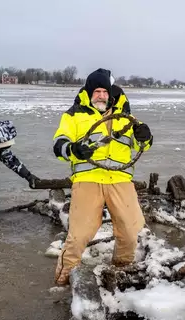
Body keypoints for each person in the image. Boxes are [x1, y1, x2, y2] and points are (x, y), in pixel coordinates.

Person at [52, 68, 154, 285]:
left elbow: (143, 144)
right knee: (79, 235)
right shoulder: (74, 115)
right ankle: (63, 278)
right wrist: (73, 150)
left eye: (104, 91)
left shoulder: (127, 117)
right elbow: (58, 144)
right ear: (89, 93)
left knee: (129, 230)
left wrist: (146, 137)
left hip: (120, 180)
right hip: (88, 179)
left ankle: (121, 270)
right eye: (96, 91)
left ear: (110, 94)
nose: (100, 95)